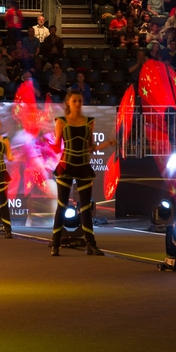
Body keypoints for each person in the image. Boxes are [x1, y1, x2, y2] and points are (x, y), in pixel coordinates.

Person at [50, 90, 116, 256]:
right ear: (69, 103)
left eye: (80, 101)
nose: (78, 104)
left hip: (83, 166)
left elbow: (90, 147)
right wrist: (45, 143)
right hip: (66, 166)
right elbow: (57, 146)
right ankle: (55, 244)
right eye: (75, 101)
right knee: (62, 206)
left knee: (86, 207)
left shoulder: (89, 122)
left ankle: (91, 245)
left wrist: (107, 143)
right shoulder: (61, 121)